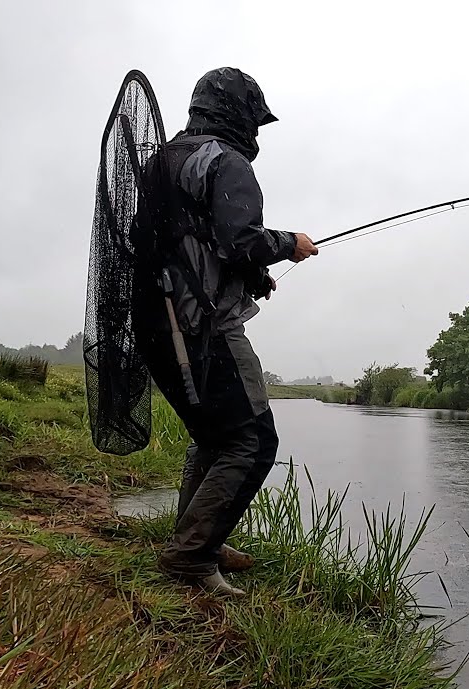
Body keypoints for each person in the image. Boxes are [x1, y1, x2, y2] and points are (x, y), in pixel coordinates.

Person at [131, 67, 318, 596]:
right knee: (253, 441)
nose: (256, 133)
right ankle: (192, 555)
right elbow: (240, 239)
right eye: (254, 121)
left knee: (212, 436)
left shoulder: (163, 161)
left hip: (154, 326)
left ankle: (197, 536)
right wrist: (289, 243)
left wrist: (253, 275)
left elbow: (193, 243)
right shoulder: (225, 161)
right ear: (237, 115)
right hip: (202, 329)